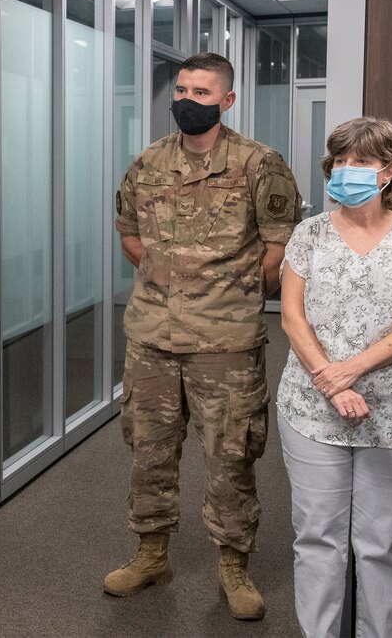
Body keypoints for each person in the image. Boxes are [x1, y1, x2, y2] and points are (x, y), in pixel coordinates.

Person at [105, 52, 301, 620]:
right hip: (153, 338)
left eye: (201, 92)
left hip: (227, 344)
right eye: (182, 90)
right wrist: (177, 281)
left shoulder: (260, 164)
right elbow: (131, 240)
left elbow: (276, 251)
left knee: (231, 456)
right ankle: (151, 554)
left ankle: (234, 565)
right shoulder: (146, 163)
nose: (188, 100)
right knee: (150, 450)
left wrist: (226, 293)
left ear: (227, 100)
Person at [277, 117, 392, 637]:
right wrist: (331, 383)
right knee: (319, 541)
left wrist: (349, 371)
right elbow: (291, 316)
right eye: (341, 160)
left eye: (362, 161)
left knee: (381, 546)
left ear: (388, 171)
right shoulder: (309, 233)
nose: (347, 170)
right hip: (311, 410)